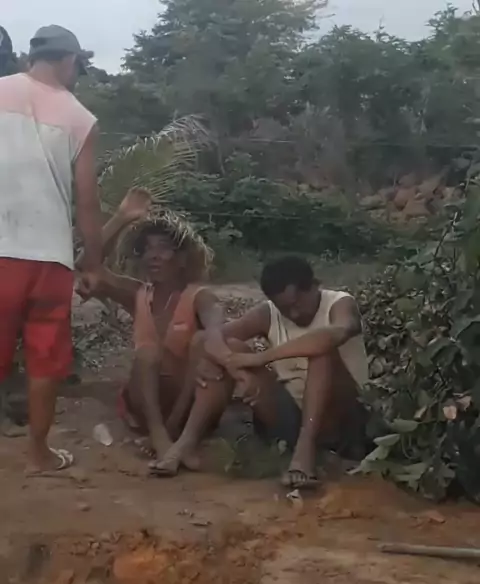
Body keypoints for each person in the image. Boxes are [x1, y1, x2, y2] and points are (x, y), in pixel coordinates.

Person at [151, 256, 369, 487]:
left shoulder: (340, 303)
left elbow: (332, 335)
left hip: (342, 417)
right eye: (285, 309)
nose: (294, 314)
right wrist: (229, 364)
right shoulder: (269, 313)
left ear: (315, 286)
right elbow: (203, 339)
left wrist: (259, 358)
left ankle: (305, 452)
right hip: (290, 416)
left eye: (297, 304)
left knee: (322, 352)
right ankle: (186, 443)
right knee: (230, 347)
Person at [0, 25, 102, 472]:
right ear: (69, 61)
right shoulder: (81, 118)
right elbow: (87, 200)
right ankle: (39, 454)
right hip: (51, 260)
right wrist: (94, 264)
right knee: (44, 360)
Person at [79, 189, 228, 467]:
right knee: (147, 353)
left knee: (202, 341)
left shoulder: (199, 296)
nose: (153, 255)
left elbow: (215, 321)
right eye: (147, 249)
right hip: (147, 403)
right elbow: (87, 266)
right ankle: (161, 437)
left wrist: (216, 341)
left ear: (182, 258)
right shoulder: (137, 293)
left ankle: (175, 435)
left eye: (163, 248)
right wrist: (122, 218)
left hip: (189, 404)